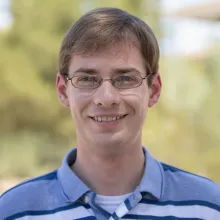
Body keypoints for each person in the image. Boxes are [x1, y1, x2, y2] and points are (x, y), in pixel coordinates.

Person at [0, 7, 220, 220]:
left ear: (153, 90)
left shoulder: (208, 209)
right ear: (62, 90)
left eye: (125, 79)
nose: (106, 98)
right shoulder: (14, 212)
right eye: (86, 79)